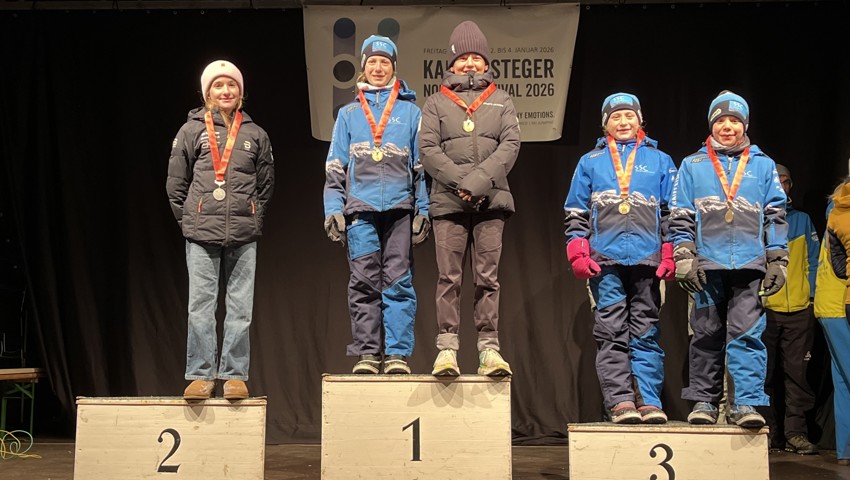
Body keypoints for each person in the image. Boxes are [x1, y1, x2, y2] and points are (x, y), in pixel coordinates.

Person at [670, 90, 788, 427]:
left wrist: (778, 259)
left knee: (747, 334)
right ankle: (705, 402)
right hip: (707, 263)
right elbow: (680, 215)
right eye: (721, 119)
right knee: (705, 333)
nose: (727, 126)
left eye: (734, 120)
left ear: (744, 125)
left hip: (750, 263)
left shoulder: (763, 165)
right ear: (711, 124)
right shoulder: (692, 165)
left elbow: (776, 214)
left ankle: (744, 403)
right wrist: (684, 255)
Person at [564, 93, 677, 424]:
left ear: (640, 120)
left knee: (645, 331)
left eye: (629, 116)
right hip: (605, 260)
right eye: (616, 117)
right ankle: (621, 402)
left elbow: (672, 212)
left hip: (648, 260)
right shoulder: (590, 161)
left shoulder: (661, 160)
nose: (623, 122)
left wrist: (669, 251)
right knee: (611, 331)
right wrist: (578, 250)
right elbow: (575, 210)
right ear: (605, 124)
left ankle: (649, 400)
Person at [166, 60, 275, 400]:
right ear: (207, 92)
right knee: (201, 306)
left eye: (231, 85)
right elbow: (176, 184)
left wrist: (253, 217)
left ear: (240, 92)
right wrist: (190, 222)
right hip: (201, 234)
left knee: (240, 308)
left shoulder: (255, 134)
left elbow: (266, 185)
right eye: (218, 85)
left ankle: (233, 376)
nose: (225, 91)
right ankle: (200, 375)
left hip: (243, 233)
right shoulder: (191, 131)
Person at [419, 20, 520, 377]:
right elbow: (427, 149)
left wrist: (478, 181)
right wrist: (462, 182)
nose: (470, 63)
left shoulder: (501, 100)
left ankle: (489, 350)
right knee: (449, 279)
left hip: (490, 202)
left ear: (486, 62)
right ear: (452, 63)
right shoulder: (435, 103)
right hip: (449, 203)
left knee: (487, 279)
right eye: (463, 58)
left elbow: (510, 145)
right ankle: (447, 350)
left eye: (476, 57)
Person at [323, 36, 428, 375]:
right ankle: (367, 354)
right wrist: (333, 208)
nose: (378, 68)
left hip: (400, 209)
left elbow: (421, 168)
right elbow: (335, 167)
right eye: (372, 62)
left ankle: (397, 355)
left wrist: (423, 210)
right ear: (363, 67)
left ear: (393, 67)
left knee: (398, 281)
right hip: (359, 210)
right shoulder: (349, 114)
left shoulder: (411, 112)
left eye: (385, 62)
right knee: (363, 282)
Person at [761, 164, 820, 453]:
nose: (781, 186)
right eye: (777, 181)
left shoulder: (802, 220)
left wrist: (811, 297)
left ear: (790, 186)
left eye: (786, 182)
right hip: (764, 310)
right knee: (763, 375)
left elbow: (814, 261)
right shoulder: (756, 219)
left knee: (798, 375)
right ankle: (767, 434)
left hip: (799, 309)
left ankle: (796, 433)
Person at [816, 173, 850, 466]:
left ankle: (845, 450)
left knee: (842, 379)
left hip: (830, 302)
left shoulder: (837, 206)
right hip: (840, 302)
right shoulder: (841, 210)